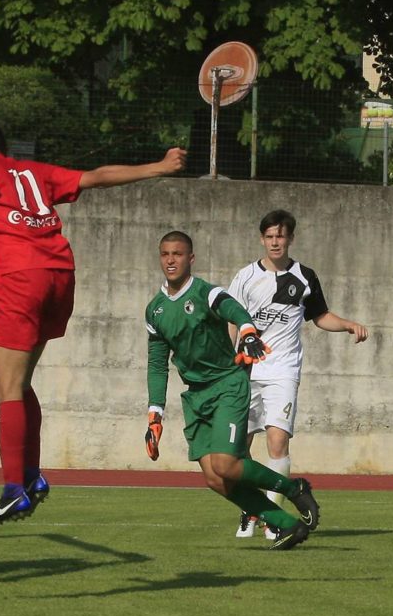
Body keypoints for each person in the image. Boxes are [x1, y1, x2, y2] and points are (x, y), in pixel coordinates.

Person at [0, 124, 186, 529]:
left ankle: (13, 489)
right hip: (59, 274)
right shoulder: (34, 171)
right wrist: (157, 166)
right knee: (21, 383)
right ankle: (31, 479)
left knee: (6, 386)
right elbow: (97, 177)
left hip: (19, 276)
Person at [143, 230, 319, 550]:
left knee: (226, 464)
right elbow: (157, 364)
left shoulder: (205, 293)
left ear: (190, 259)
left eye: (178, 254)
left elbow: (233, 309)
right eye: (165, 254)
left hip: (227, 384)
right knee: (215, 478)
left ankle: (293, 489)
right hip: (195, 396)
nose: (171, 260)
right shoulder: (154, 309)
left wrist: (249, 330)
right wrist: (155, 413)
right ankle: (287, 525)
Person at [227, 209, 368, 539]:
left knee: (278, 442)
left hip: (283, 372)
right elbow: (230, 319)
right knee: (237, 450)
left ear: (290, 238)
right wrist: (226, 359)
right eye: (270, 236)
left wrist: (347, 325)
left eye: (281, 235)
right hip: (245, 372)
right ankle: (252, 508)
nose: (276, 241)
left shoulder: (305, 276)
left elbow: (320, 316)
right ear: (262, 239)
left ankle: (273, 518)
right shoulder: (245, 277)